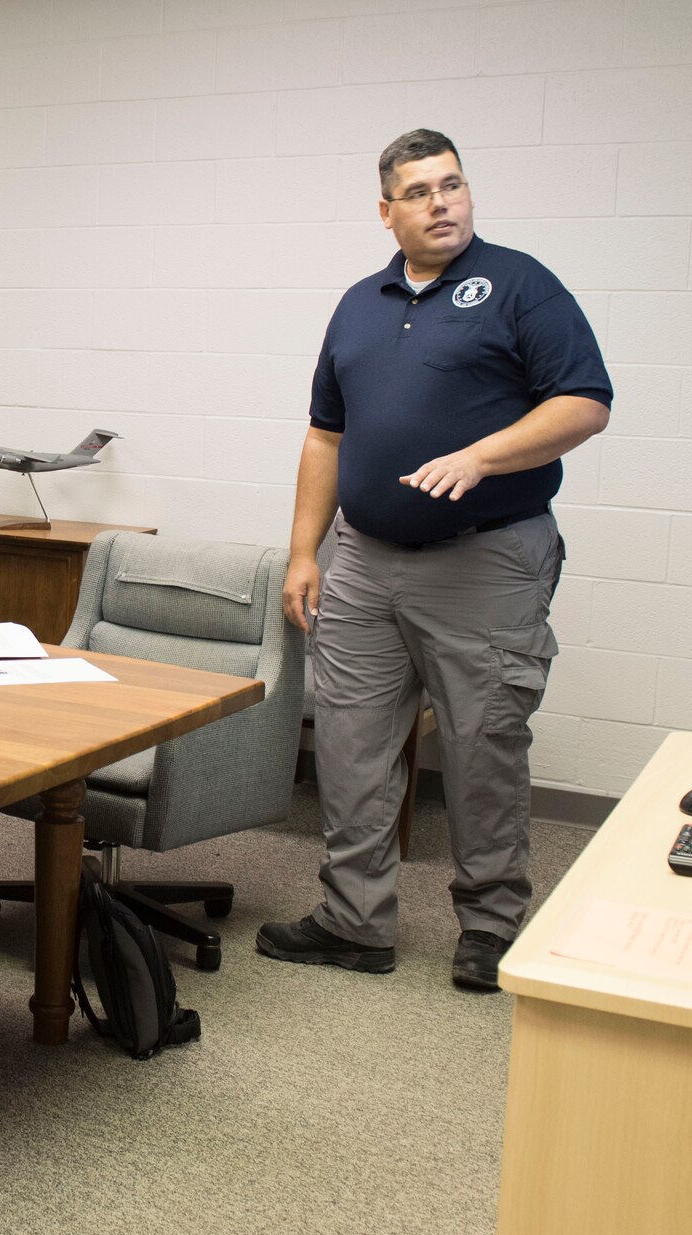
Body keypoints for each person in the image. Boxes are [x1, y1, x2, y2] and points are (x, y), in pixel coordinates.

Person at [257, 129, 612, 992]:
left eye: (451, 185)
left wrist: (484, 455)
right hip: (364, 561)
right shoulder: (359, 303)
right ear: (387, 212)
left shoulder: (521, 284)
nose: (441, 202)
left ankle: (490, 924)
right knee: (348, 740)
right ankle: (355, 918)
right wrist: (305, 551)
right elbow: (323, 434)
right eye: (418, 192)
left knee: (484, 740)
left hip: (484, 560)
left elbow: (586, 403)